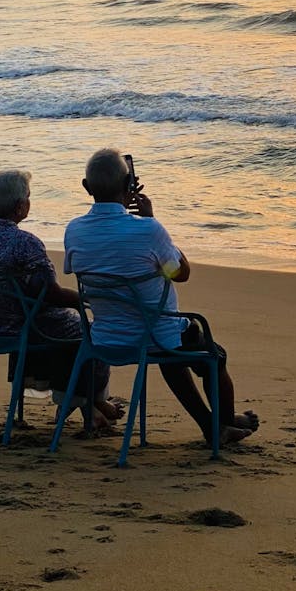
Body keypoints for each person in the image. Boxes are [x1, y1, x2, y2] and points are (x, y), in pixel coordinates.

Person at [64, 147, 258, 447]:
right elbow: (180, 273)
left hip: (105, 337)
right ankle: (221, 423)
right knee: (212, 355)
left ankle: (221, 424)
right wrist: (152, 220)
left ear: (86, 187)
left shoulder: (74, 231)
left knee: (175, 345)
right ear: (129, 186)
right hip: (156, 335)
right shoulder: (149, 230)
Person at [0, 169, 123, 430]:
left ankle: (91, 407)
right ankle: (93, 402)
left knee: (57, 324)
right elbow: (51, 293)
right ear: (21, 206)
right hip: (21, 326)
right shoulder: (25, 242)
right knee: (89, 330)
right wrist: (86, 300)